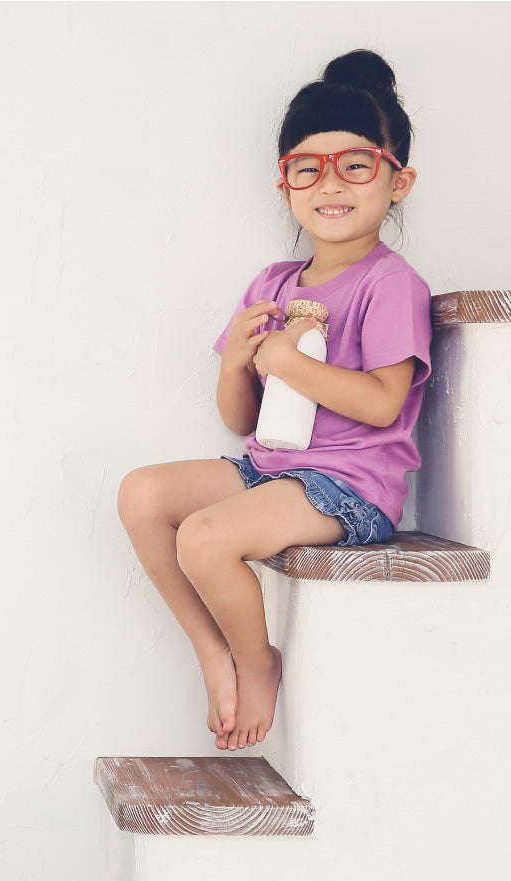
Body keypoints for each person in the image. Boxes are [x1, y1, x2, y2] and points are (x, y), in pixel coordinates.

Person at [117, 49, 431, 752]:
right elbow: (241, 419)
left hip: (350, 485)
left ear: (398, 181)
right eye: (307, 167)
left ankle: (256, 660)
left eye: (356, 165)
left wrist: (289, 360)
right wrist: (237, 360)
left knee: (205, 538)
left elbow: (383, 404)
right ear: (285, 182)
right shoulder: (274, 283)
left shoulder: (389, 284)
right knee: (142, 494)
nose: (331, 184)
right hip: (273, 467)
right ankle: (212, 650)